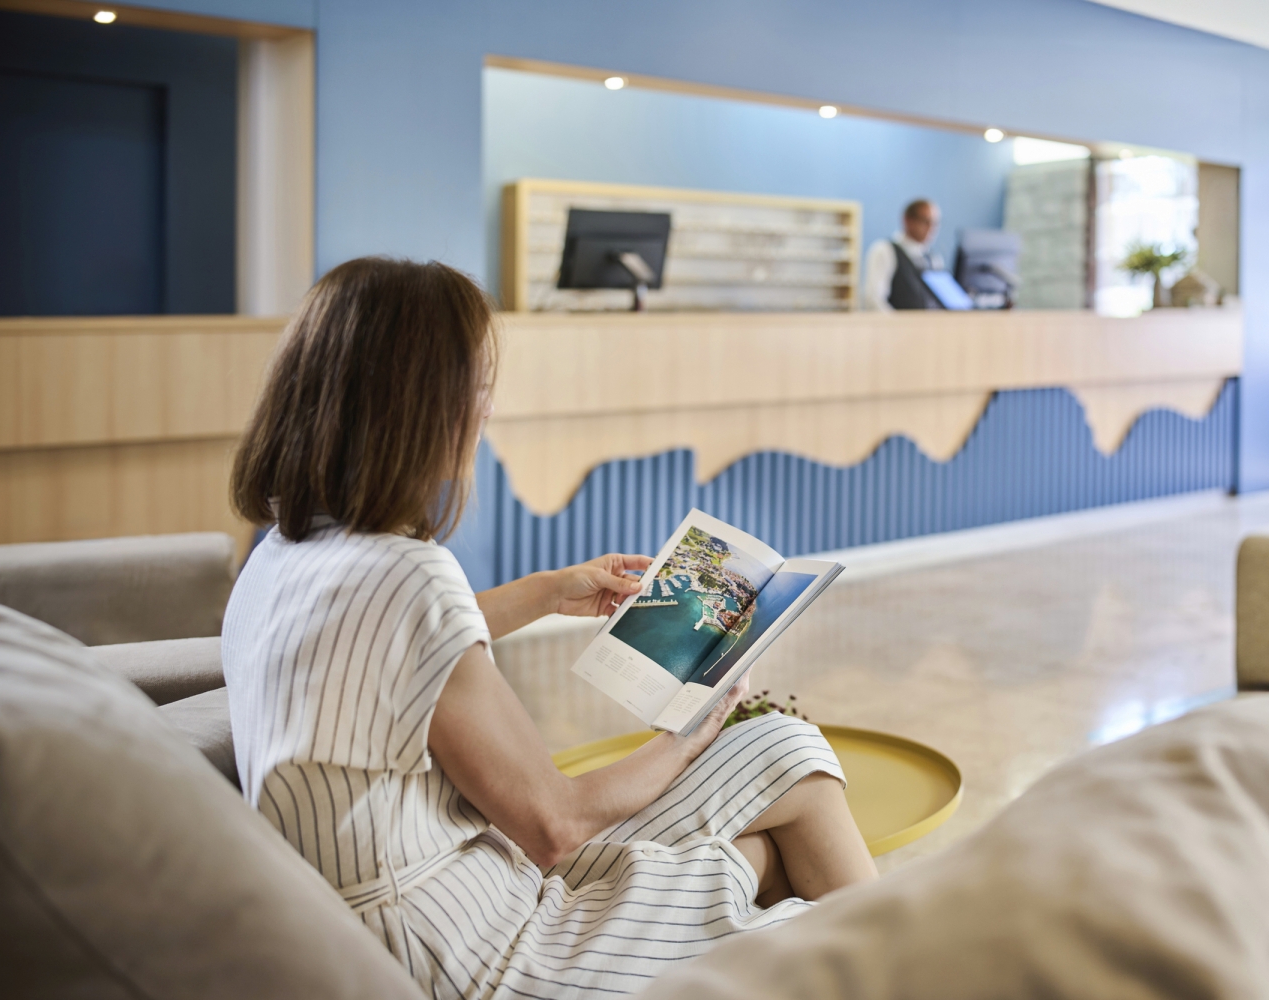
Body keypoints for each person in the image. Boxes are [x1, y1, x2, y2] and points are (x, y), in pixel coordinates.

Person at [221, 257, 878, 1000]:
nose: (485, 410)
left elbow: (386, 655)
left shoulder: (280, 554)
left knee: (784, 751)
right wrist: (696, 725)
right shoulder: (407, 575)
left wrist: (545, 592)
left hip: (448, 892)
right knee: (823, 919)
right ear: (416, 405)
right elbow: (556, 824)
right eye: (476, 386)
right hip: (477, 948)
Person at [863, 198, 945, 310]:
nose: (931, 228)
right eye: (925, 221)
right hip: (897, 320)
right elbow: (873, 300)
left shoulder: (934, 259)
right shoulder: (885, 251)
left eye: (934, 223)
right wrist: (896, 321)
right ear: (908, 220)